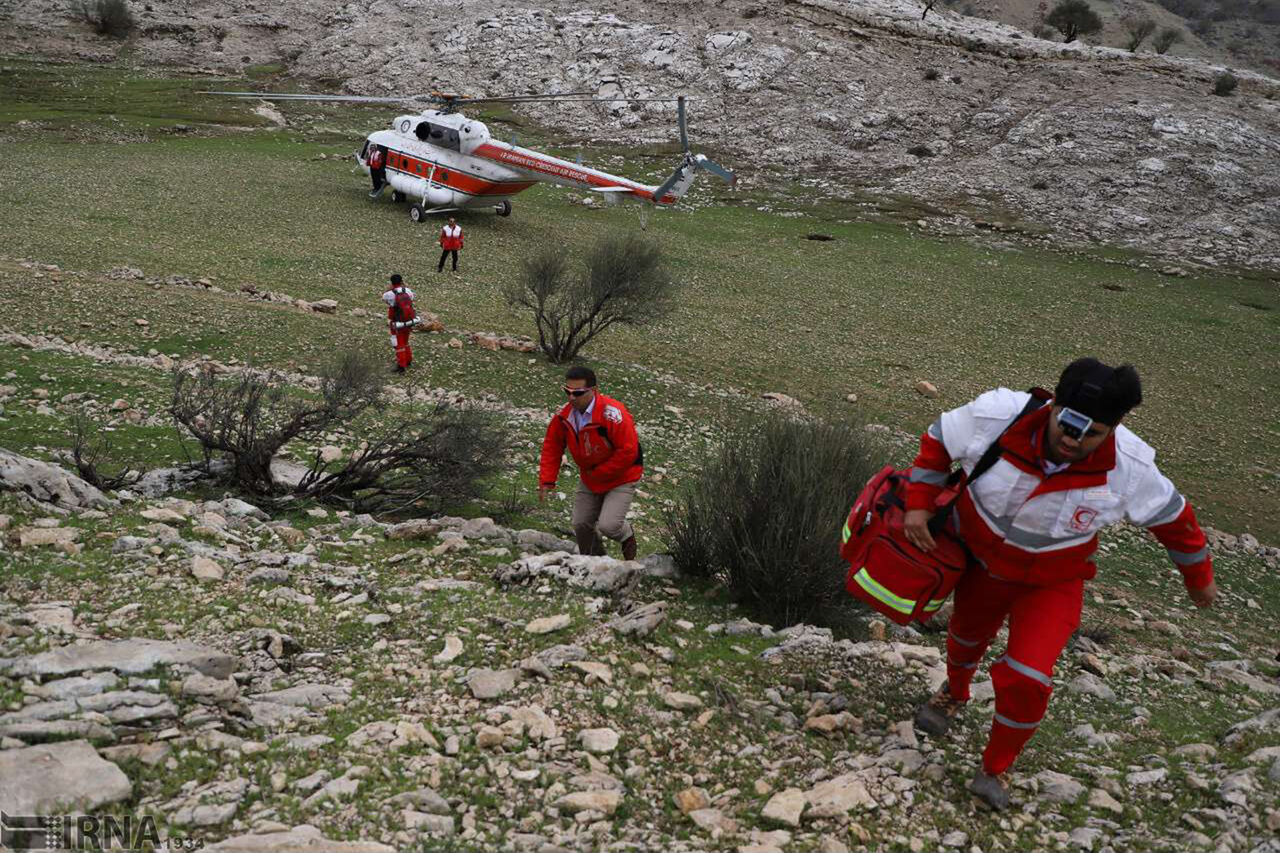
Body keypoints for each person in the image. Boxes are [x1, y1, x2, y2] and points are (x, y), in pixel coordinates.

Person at [902, 358, 1215, 810]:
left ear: (1113, 429)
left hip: (1052, 583)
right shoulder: (997, 415)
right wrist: (917, 505)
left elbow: (1175, 521)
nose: (1073, 440)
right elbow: (936, 441)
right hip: (983, 566)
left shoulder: (1129, 468)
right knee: (966, 638)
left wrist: (1199, 578)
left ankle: (995, 768)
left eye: (1091, 434)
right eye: (1068, 425)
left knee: (1029, 676)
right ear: (1054, 406)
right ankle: (954, 691)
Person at [539, 366, 643, 561]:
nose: (571, 397)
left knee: (609, 525)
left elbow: (629, 451)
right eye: (567, 391)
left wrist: (600, 473)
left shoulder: (612, 414)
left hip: (622, 476)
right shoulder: (564, 417)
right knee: (580, 524)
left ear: (593, 390)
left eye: (577, 393)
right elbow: (552, 447)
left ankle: (627, 536)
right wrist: (547, 480)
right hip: (591, 476)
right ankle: (590, 562)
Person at [382, 274, 416, 373]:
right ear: (402, 281)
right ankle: (408, 360)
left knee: (398, 343)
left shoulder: (389, 294)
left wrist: (388, 289)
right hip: (409, 320)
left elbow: (383, 298)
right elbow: (411, 299)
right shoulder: (408, 291)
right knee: (405, 341)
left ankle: (401, 366)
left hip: (396, 321)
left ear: (392, 283)